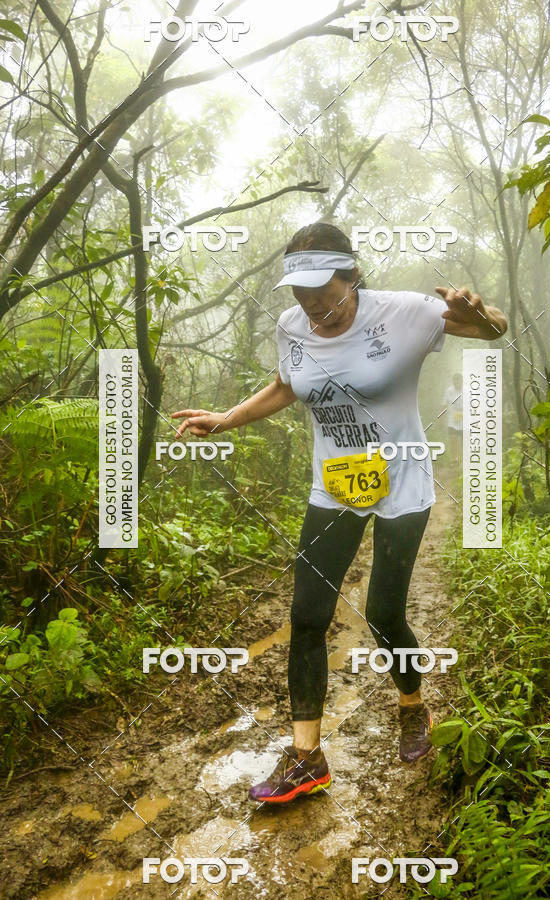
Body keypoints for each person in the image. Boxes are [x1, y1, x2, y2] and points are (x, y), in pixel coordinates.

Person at [171, 222, 507, 805]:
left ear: (351, 277)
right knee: (307, 616)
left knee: (383, 613)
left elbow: (493, 330)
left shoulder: (403, 313)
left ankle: (412, 705)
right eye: (301, 295)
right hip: (335, 488)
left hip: (401, 482)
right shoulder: (291, 326)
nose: (312, 307)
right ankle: (307, 758)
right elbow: (286, 386)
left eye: (323, 294)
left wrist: (479, 312)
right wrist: (226, 419)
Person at [444, 372, 463, 464]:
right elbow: (444, 404)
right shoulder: (449, 391)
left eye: (459, 381)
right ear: (453, 382)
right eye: (455, 381)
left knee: (464, 440)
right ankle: (455, 458)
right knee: (453, 439)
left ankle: (464, 458)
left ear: (462, 381)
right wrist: (442, 417)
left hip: (465, 419)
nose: (457, 383)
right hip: (452, 419)